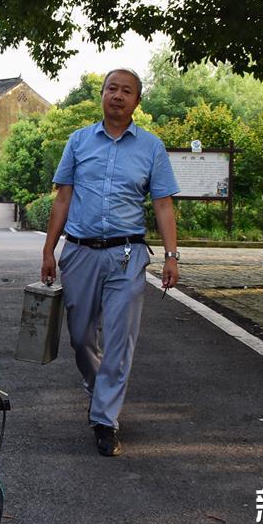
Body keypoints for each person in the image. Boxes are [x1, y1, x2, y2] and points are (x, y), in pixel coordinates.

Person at [40, 68, 180, 458]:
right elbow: (63, 199)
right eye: (111, 89)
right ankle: (99, 389)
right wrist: (49, 249)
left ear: (137, 101)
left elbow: (164, 204)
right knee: (81, 337)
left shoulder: (151, 147)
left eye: (127, 91)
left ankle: (105, 420)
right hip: (81, 251)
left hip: (127, 254)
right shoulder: (79, 141)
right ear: (101, 95)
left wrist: (171, 256)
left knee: (120, 339)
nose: (118, 96)